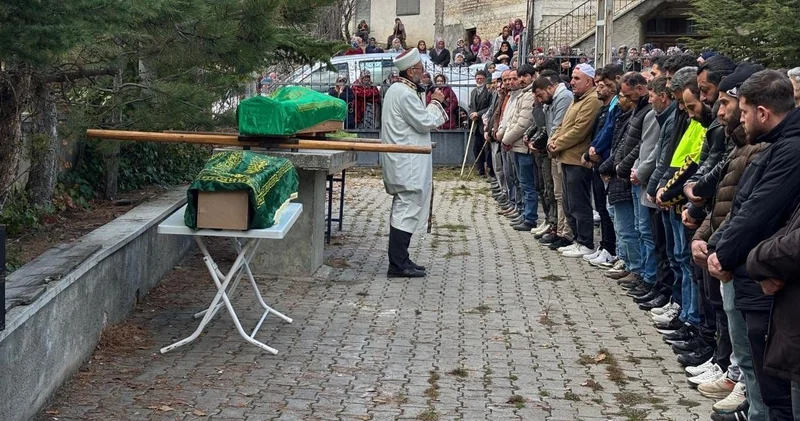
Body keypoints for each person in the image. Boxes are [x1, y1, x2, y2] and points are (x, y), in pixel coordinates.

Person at [707, 70, 800, 420]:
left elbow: (762, 212)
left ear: (763, 112)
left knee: (773, 392)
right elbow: (742, 206)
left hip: (765, 277)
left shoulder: (790, 149)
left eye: (742, 111)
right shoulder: (776, 145)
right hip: (753, 269)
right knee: (757, 374)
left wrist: (725, 255)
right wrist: (716, 244)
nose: (738, 118)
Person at [380, 48, 448, 278]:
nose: (424, 74)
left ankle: (402, 258)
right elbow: (424, 121)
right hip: (406, 161)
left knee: (407, 208)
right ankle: (397, 264)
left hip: (405, 159)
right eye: (420, 69)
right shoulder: (404, 93)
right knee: (406, 208)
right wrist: (437, 102)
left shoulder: (400, 90)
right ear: (410, 71)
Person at [547, 63, 603, 257]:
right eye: (572, 78)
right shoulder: (577, 99)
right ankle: (577, 239)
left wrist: (558, 143)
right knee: (569, 202)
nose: (572, 82)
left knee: (579, 202)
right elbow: (563, 124)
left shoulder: (592, 100)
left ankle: (585, 241)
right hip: (566, 157)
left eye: (577, 78)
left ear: (590, 80)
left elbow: (580, 130)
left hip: (578, 159)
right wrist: (553, 139)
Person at [532, 70, 573, 249]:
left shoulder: (563, 97)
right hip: (553, 150)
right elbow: (544, 124)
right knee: (557, 194)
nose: (540, 100)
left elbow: (557, 125)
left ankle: (565, 232)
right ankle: (559, 229)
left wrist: (550, 144)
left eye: (541, 95)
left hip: (560, 150)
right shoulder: (551, 100)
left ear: (550, 87)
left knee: (562, 195)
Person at [499, 64, 538, 231]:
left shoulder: (529, 96)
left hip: (522, 146)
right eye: (519, 77)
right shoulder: (521, 94)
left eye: (523, 76)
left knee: (527, 184)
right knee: (519, 182)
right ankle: (523, 213)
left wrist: (505, 139)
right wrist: (503, 135)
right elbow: (511, 119)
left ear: (532, 76)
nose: (521, 80)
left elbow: (523, 123)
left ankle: (529, 217)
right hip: (515, 145)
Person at [469, 70, 493, 176]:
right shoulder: (473, 92)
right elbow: (471, 106)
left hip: (485, 124)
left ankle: (490, 168)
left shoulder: (489, 91)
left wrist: (478, 114)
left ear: (485, 79)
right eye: (477, 78)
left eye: (481, 78)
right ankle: (480, 168)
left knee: (487, 148)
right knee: (476, 147)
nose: (479, 80)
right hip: (476, 125)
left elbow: (490, 107)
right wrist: (471, 114)